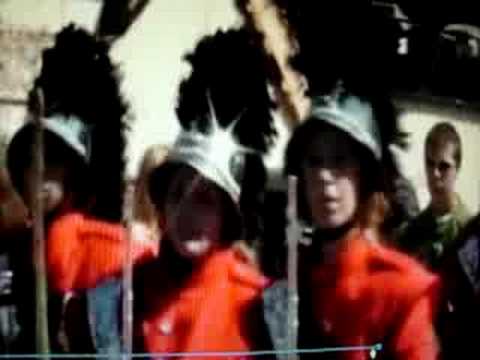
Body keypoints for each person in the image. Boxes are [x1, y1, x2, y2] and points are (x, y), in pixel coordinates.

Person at [5, 25, 155, 356]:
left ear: (79, 171)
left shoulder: (121, 253)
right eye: (31, 156)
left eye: (54, 158)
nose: (38, 171)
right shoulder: (12, 248)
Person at [265, 81, 441, 359]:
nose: (325, 175)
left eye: (340, 161)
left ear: (365, 176)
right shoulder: (285, 286)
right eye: (314, 161)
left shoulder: (401, 290)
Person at [133, 28, 276, 358]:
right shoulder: (123, 294)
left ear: (227, 214)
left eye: (204, 200)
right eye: (177, 195)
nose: (187, 214)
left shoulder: (260, 307)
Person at [398, 122, 471, 269]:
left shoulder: (470, 233)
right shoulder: (409, 233)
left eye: (444, 166)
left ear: (457, 169)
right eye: (430, 164)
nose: (435, 174)